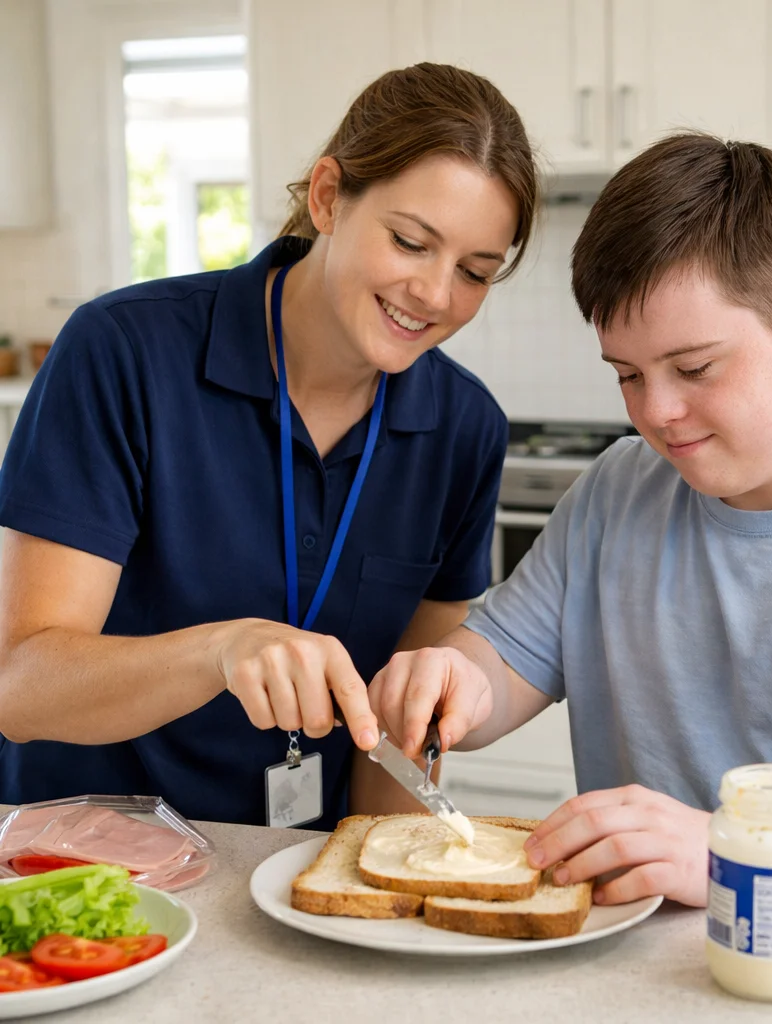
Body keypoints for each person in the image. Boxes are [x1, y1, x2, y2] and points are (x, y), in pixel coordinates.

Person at [367, 130, 772, 906]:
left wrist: (736, 851)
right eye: (627, 375)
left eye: (695, 368)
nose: (657, 413)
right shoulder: (618, 491)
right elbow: (501, 667)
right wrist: (451, 679)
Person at [0, 63, 539, 829]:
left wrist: (377, 891)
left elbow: (393, 732)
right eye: (411, 242)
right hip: (91, 863)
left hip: (292, 877)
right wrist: (223, 650)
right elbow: (23, 686)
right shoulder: (123, 351)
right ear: (327, 197)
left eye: (476, 272)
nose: (436, 296)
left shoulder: (464, 429)